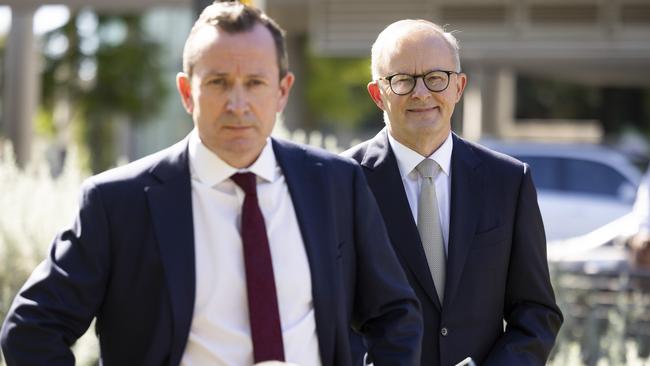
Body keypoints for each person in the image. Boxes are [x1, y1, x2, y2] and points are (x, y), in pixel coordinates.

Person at [0, 3, 423, 365]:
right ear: (187, 92)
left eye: (255, 83)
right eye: (218, 82)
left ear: (281, 91)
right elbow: (32, 329)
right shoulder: (117, 202)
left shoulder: (335, 183)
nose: (237, 104)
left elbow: (394, 314)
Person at [343, 19, 563, 365]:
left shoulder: (508, 181)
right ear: (377, 94)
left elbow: (535, 312)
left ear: (458, 87)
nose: (421, 93)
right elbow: (326, 313)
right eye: (402, 80)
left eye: (436, 78)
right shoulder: (340, 183)